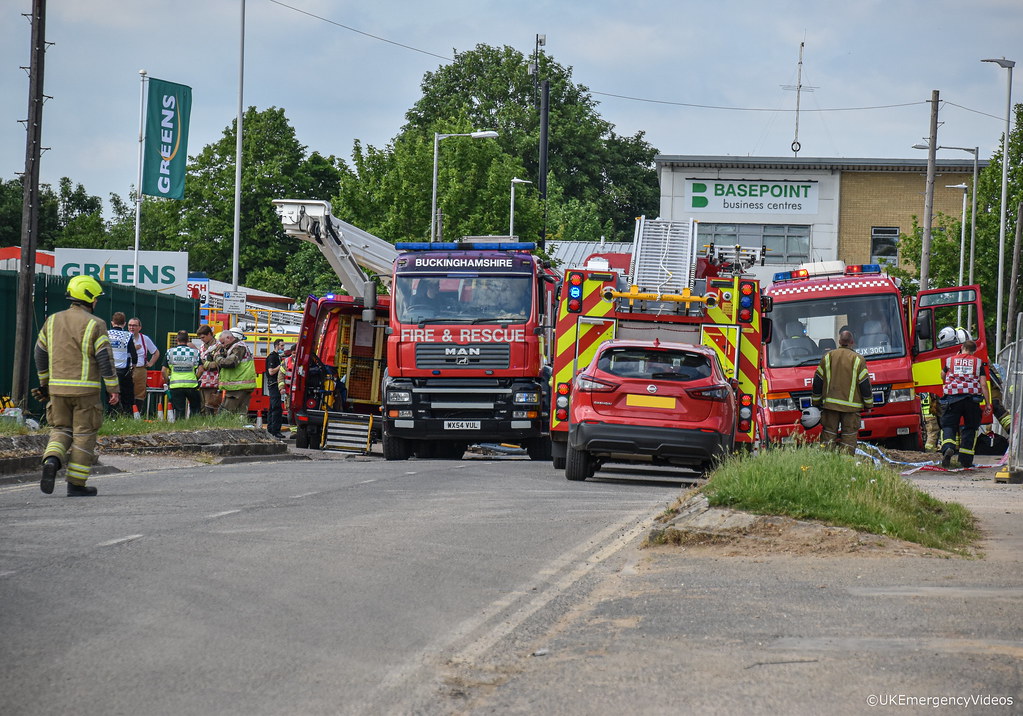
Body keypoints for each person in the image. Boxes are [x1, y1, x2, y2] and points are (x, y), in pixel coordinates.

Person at [35, 275, 120, 497]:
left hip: (57, 390)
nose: (97, 302)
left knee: (60, 429)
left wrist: (44, 383)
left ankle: (52, 460)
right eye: (96, 298)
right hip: (86, 392)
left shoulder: (52, 320)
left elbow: (40, 353)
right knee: (84, 434)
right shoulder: (96, 324)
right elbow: (105, 360)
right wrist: (113, 389)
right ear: (89, 297)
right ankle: (76, 484)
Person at [810, 330, 873, 455]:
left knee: (828, 433)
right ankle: (846, 462)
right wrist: (868, 405)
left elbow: (817, 381)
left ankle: (827, 459)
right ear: (852, 342)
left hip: (830, 407)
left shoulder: (828, 357)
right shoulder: (858, 360)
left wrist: (816, 402)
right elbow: (864, 384)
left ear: (839, 342)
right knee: (849, 436)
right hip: (851, 408)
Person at [939, 339, 990, 469]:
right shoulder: (978, 363)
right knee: (970, 428)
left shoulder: (951, 360)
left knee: (949, 425)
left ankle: (948, 449)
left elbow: (942, 375)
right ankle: (966, 461)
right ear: (974, 351)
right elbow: (983, 384)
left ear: (962, 347)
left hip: (952, 398)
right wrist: (988, 403)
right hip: (971, 400)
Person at [204, 329, 256, 414]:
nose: (223, 345)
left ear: (229, 337)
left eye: (223, 343)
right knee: (240, 414)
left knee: (225, 414)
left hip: (237, 387)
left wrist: (217, 357)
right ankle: (240, 427)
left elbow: (231, 362)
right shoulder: (237, 346)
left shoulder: (238, 347)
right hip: (242, 386)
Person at [163, 330, 201, 420]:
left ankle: (180, 427)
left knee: (179, 410)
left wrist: (168, 381)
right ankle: (194, 426)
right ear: (188, 340)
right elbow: (201, 369)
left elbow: (163, 371)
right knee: (195, 408)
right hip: (192, 385)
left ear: (177, 340)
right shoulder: (195, 352)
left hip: (176, 385)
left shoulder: (170, 352)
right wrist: (196, 378)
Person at [127, 317, 160, 415]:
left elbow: (156, 352)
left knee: (139, 393)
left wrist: (150, 363)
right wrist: (132, 349)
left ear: (139, 327)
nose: (132, 328)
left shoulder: (144, 339)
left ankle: (137, 414)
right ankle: (125, 414)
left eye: (134, 325)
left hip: (140, 369)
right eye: (130, 325)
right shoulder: (124, 337)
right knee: (125, 391)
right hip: (126, 368)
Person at [107, 311, 137, 415]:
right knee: (127, 396)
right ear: (124, 324)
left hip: (108, 370)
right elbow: (133, 354)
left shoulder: (106, 334)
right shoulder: (127, 335)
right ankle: (127, 415)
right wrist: (133, 366)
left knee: (110, 395)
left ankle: (111, 416)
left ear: (112, 322)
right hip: (123, 371)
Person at [195, 324, 222, 415]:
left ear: (210, 334)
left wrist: (203, 363)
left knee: (211, 406)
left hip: (213, 382)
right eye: (200, 338)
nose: (202, 340)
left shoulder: (218, 346)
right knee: (202, 407)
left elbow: (217, 364)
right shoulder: (203, 347)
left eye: (203, 337)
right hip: (202, 381)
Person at [264, 338, 285, 439]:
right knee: (276, 408)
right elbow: (271, 371)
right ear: (276, 346)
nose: (283, 348)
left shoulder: (278, 357)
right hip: (273, 384)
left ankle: (271, 429)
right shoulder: (272, 357)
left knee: (273, 407)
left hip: (276, 384)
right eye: (281, 346)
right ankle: (275, 430)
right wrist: (281, 366)